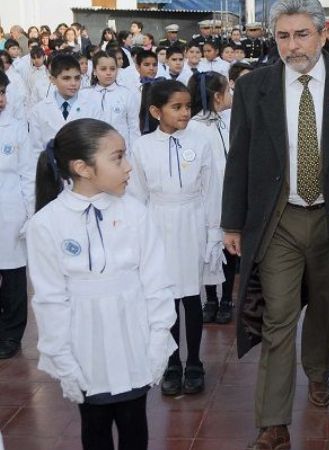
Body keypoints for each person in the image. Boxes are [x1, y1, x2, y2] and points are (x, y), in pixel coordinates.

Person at [221, 0, 329, 448]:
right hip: (279, 220)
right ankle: (273, 423)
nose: (293, 46)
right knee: (277, 318)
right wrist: (232, 222)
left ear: (324, 34)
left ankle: (319, 372)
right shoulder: (254, 87)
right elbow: (239, 156)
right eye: (284, 37)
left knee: (326, 310)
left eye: (302, 35)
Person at [28, 118, 177, 450]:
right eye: (118, 158)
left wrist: (158, 337)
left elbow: (156, 281)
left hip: (133, 335)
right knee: (94, 426)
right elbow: (50, 299)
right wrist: (62, 358)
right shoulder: (46, 224)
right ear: (82, 168)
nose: (128, 166)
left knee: (134, 422)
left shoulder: (135, 213)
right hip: (85, 344)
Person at [128, 80, 223, 397]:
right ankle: (171, 362)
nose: (185, 113)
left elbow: (211, 190)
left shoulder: (201, 140)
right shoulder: (142, 147)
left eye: (188, 106)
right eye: (177, 107)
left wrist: (213, 232)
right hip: (157, 224)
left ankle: (194, 361)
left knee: (191, 296)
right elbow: (136, 196)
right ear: (156, 111)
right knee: (165, 297)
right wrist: (138, 238)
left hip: (192, 222)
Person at [188, 71, 236, 325]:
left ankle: (226, 298)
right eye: (227, 91)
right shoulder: (193, 127)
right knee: (209, 246)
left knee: (230, 247)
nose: (231, 95)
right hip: (205, 197)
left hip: (229, 194)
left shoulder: (228, 119)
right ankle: (210, 299)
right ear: (217, 96)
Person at [0, 71, 34, 360]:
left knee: (12, 275)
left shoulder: (16, 129)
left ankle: (11, 334)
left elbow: (27, 175)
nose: (0, 99)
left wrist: (29, 214)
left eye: (2, 92)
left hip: (10, 210)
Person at [29, 54, 101, 154]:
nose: (73, 83)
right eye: (66, 78)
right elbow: (35, 149)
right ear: (52, 79)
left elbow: (97, 143)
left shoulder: (92, 107)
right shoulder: (38, 111)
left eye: (77, 78)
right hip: (51, 163)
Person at [85, 51, 141, 152]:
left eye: (112, 69)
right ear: (94, 71)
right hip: (93, 150)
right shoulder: (85, 95)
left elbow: (134, 128)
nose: (108, 73)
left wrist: (133, 154)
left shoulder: (126, 94)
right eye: (103, 69)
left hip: (121, 151)